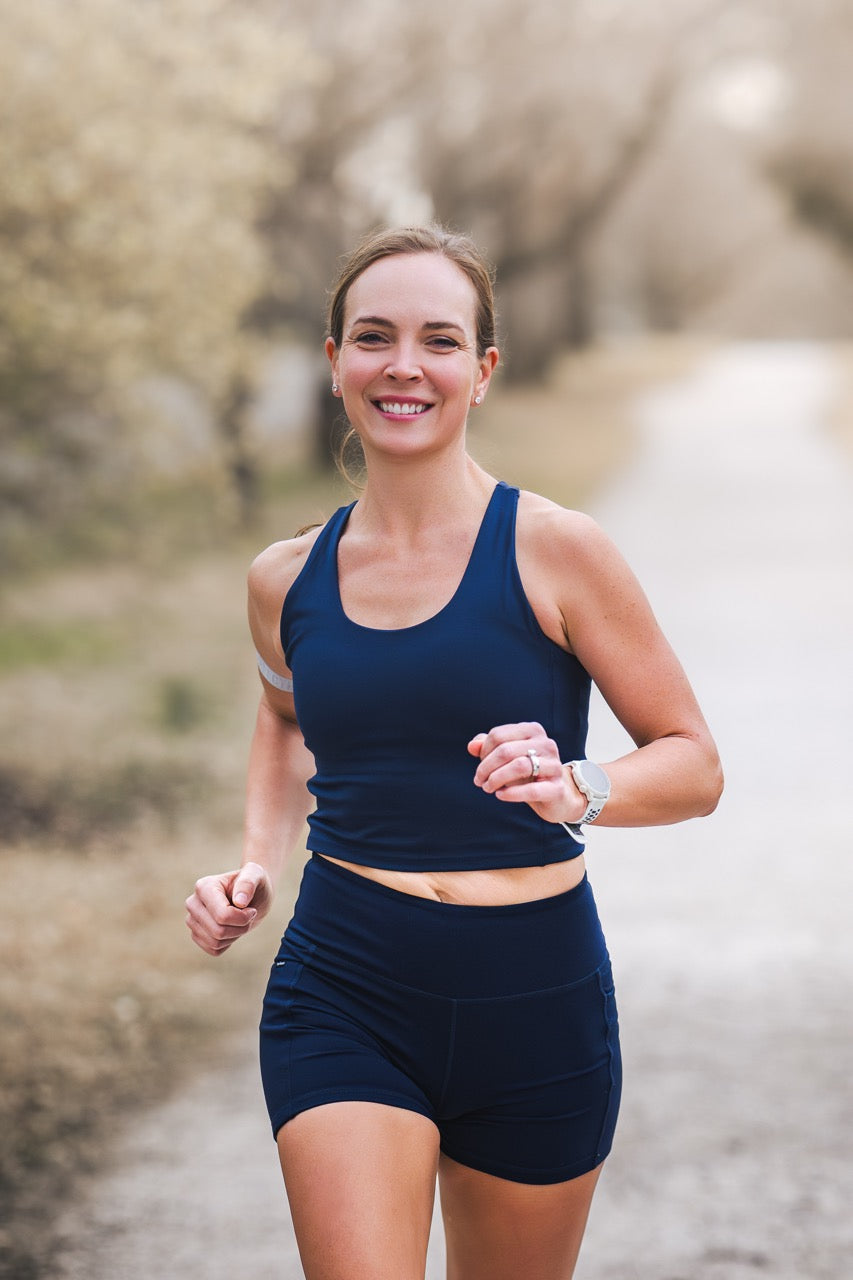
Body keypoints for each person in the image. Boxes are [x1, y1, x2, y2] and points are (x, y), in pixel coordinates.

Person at [185, 225, 723, 1280]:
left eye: (438, 340)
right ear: (334, 359)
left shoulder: (558, 549)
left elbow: (693, 761)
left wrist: (580, 782)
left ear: (480, 371)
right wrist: (254, 860)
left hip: (535, 993)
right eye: (373, 337)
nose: (403, 365)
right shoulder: (283, 579)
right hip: (344, 979)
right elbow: (286, 719)